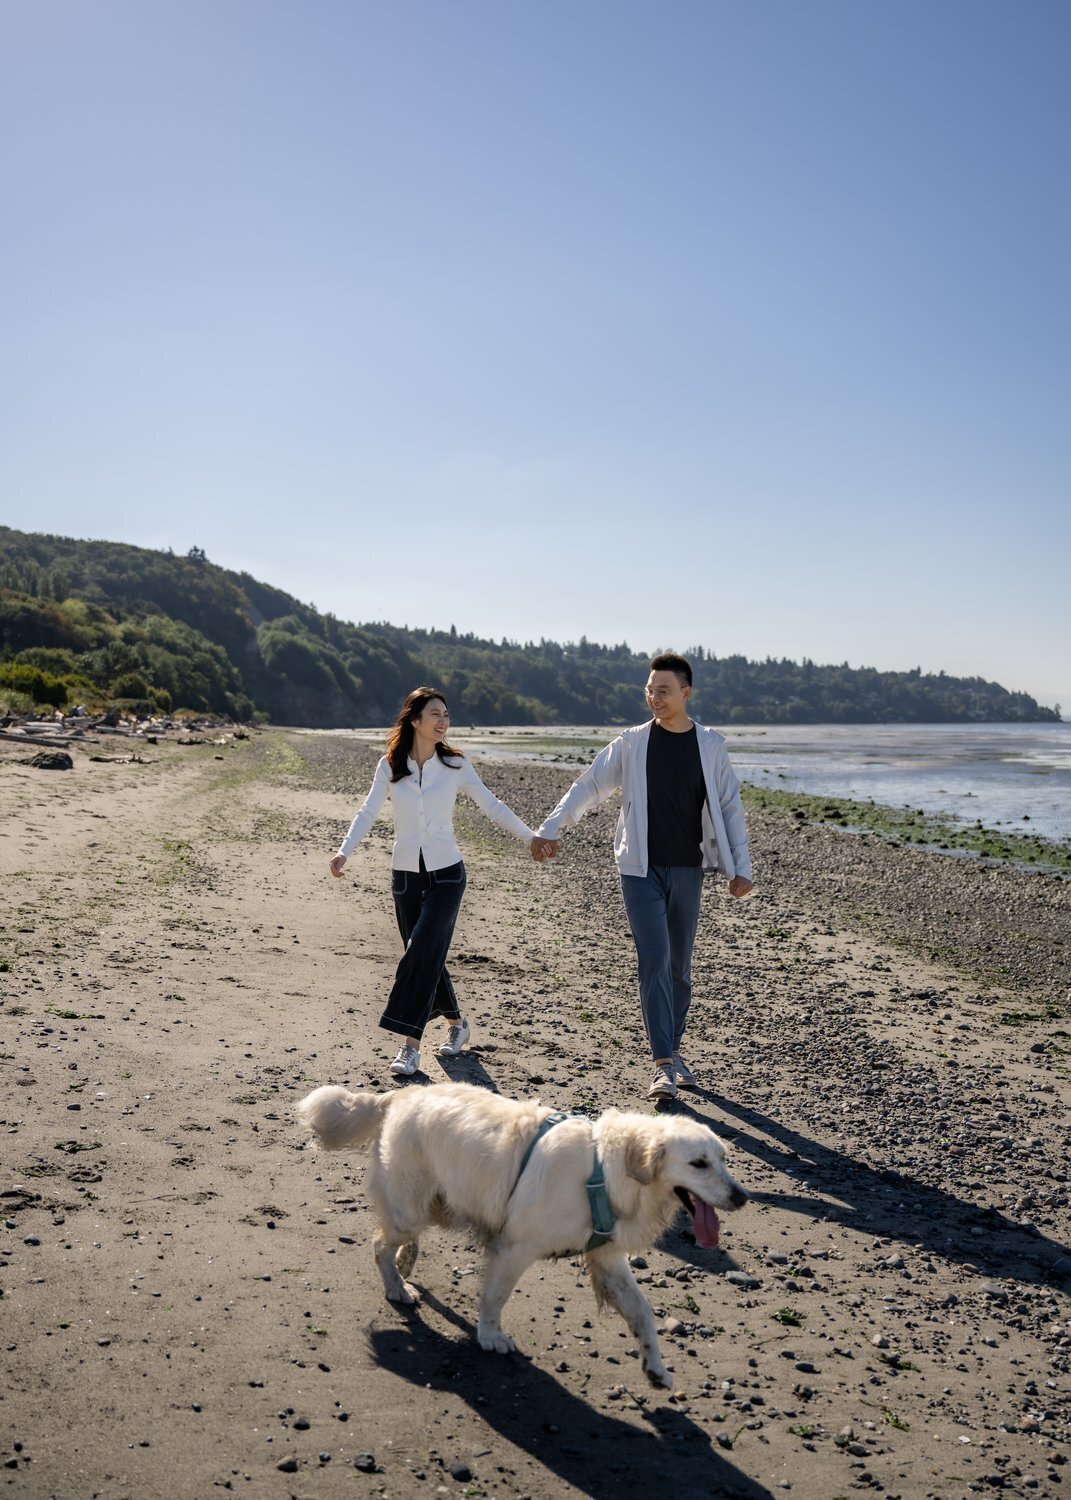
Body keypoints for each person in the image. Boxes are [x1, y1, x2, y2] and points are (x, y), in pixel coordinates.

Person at [535, 653, 754, 1102]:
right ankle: (663, 1066)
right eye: (650, 691)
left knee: (679, 970)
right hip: (639, 869)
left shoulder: (710, 746)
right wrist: (552, 826)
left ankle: (672, 1051)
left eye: (664, 691)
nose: (655, 698)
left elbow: (729, 806)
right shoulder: (632, 743)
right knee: (654, 960)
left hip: (689, 869)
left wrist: (740, 869)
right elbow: (589, 785)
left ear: (686, 694)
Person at [330, 687, 553, 1079]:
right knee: (427, 956)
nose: (443, 720)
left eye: (446, 714)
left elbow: (492, 806)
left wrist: (530, 836)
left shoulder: (455, 765)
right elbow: (367, 811)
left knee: (420, 953)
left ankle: (409, 1046)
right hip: (404, 877)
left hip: (448, 875)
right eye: (435, 713)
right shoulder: (390, 766)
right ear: (415, 720)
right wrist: (345, 851)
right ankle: (456, 1025)